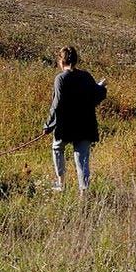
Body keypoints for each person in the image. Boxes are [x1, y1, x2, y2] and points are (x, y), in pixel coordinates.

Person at [43, 46, 106, 192]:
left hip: (66, 126)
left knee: (57, 148)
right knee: (82, 159)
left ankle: (61, 183)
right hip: (85, 125)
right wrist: (101, 87)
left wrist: (48, 125)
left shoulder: (60, 79)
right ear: (75, 60)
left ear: (61, 61)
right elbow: (96, 96)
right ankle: (84, 192)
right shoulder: (86, 76)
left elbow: (56, 104)